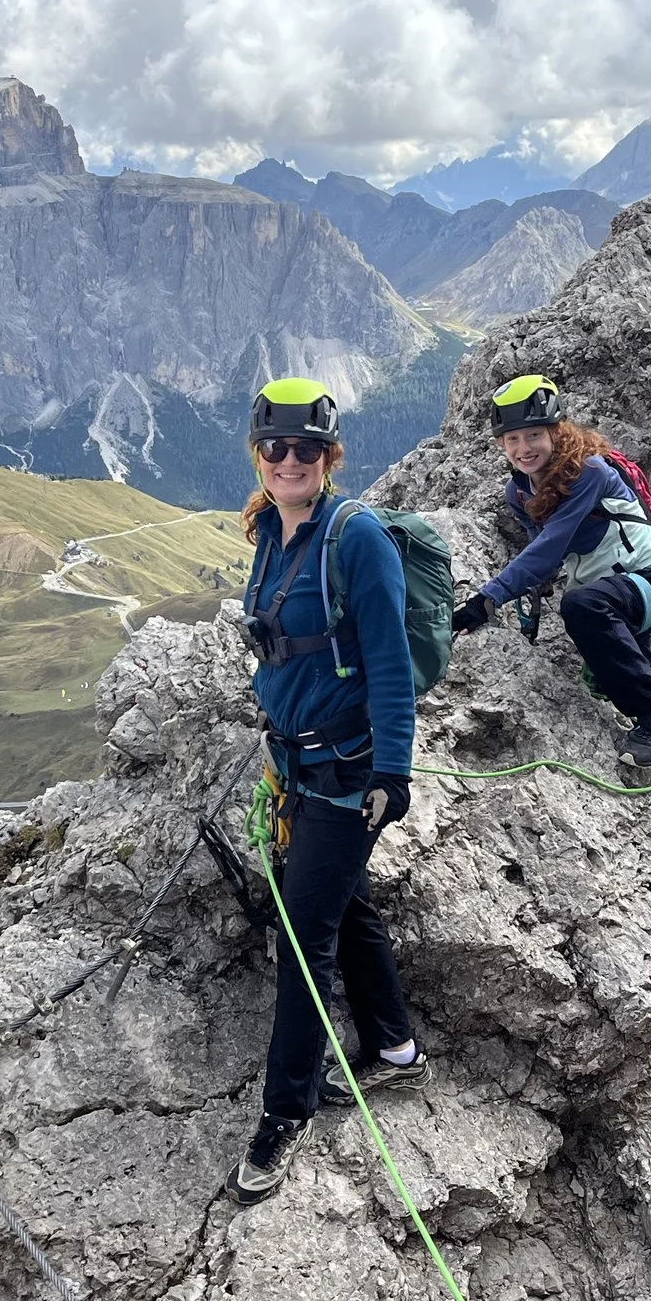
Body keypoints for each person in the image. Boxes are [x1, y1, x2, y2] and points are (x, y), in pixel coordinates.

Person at [227, 377, 427, 1207]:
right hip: (296, 763)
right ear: (259, 453)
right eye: (275, 447)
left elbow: (390, 662)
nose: (289, 462)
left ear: (329, 456)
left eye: (306, 449)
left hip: (349, 772)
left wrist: (395, 771)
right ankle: (394, 1048)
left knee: (300, 938)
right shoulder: (271, 532)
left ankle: (284, 1112)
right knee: (343, 905)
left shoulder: (359, 538)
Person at [450, 375, 651, 787]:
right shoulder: (519, 492)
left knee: (582, 607)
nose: (523, 448)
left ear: (556, 431)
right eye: (512, 439)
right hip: (618, 595)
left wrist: (486, 600)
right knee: (602, 654)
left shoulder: (589, 472)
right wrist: (529, 592)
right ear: (500, 445)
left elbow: (551, 544)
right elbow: (543, 557)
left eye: (533, 435)